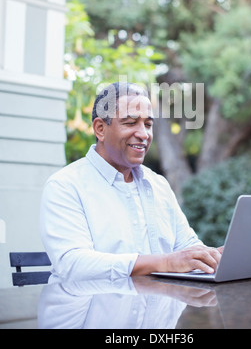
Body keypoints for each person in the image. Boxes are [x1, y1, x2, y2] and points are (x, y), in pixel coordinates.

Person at [40, 81, 222, 282]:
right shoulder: (65, 185)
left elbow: (186, 245)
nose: (143, 134)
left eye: (148, 124)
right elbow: (72, 264)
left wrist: (211, 257)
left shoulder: (158, 184)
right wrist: (166, 262)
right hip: (92, 310)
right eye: (130, 122)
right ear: (100, 129)